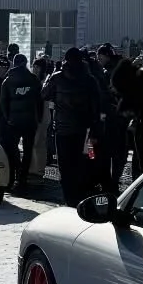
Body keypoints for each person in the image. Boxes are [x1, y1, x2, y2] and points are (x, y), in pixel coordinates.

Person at [44, 46, 108, 206]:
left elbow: (43, 94)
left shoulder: (57, 77)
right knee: (85, 161)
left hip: (62, 129)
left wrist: (52, 72)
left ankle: (68, 198)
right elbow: (98, 106)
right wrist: (96, 129)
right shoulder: (89, 79)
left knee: (65, 166)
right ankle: (83, 194)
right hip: (84, 130)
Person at [96, 44, 139, 199]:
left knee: (110, 152)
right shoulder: (122, 68)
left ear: (107, 56)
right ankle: (115, 182)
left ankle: (111, 184)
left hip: (113, 117)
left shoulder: (110, 72)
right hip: (123, 117)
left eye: (100, 57)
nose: (99, 60)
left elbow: (107, 94)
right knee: (121, 154)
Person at [0, 50, 43, 191]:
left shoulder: (8, 80)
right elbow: (39, 101)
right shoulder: (34, 79)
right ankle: (22, 178)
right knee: (28, 150)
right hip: (30, 121)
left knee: (13, 149)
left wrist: (8, 118)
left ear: (14, 63)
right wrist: (39, 118)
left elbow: (3, 102)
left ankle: (12, 177)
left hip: (14, 121)